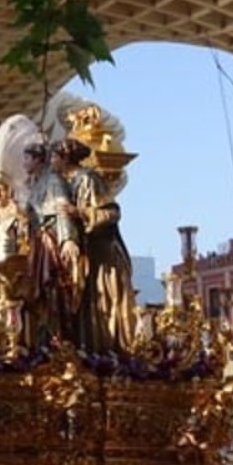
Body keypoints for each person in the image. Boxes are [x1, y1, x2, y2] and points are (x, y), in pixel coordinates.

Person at [51, 137, 135, 353]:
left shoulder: (88, 178)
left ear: (64, 158)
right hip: (85, 256)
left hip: (104, 255)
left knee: (106, 304)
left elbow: (112, 213)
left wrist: (79, 212)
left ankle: (113, 352)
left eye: (54, 156)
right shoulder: (64, 184)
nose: (51, 161)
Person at [22, 142, 80, 344]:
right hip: (39, 241)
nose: (23, 163)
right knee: (40, 289)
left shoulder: (53, 180)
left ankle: (57, 336)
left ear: (38, 159)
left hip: (51, 240)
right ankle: (45, 334)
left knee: (53, 285)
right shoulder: (36, 182)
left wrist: (68, 239)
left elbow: (62, 209)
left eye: (27, 158)